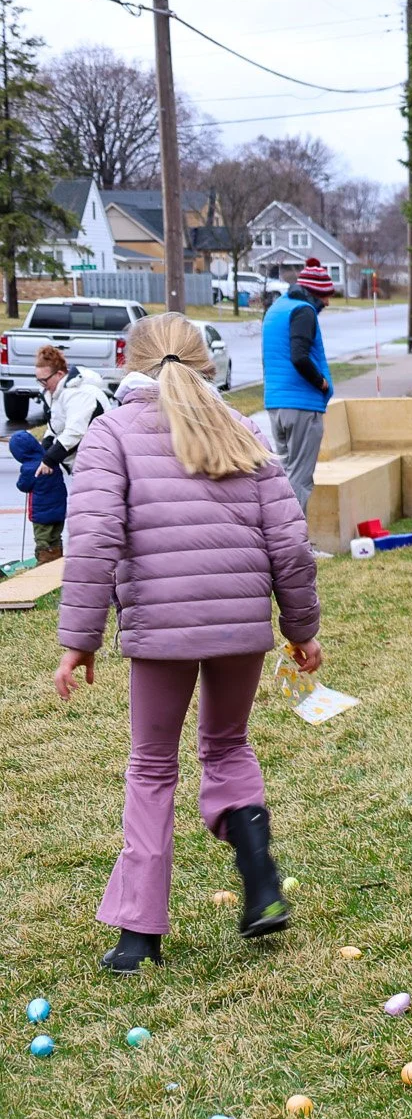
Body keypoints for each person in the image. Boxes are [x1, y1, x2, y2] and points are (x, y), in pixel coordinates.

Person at [54, 314, 322, 973]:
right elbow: (289, 543)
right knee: (227, 746)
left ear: (130, 363)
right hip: (240, 624)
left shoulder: (110, 435)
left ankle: (138, 936)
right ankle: (257, 870)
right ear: (206, 363)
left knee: (151, 766)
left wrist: (79, 639)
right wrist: (300, 629)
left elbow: (92, 543)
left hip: (160, 627)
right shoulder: (246, 431)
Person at [262, 257, 337, 514]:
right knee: (300, 480)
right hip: (302, 405)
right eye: (325, 296)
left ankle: (284, 540)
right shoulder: (303, 311)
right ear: (314, 292)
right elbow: (299, 356)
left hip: (277, 404)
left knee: (286, 475)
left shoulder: (277, 308)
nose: (327, 302)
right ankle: (296, 545)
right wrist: (322, 383)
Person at [31, 344, 112, 475]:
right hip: (83, 465)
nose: (42, 386)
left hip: (100, 465)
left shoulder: (79, 394)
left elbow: (74, 432)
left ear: (59, 374)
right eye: (39, 381)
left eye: (44, 380)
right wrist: (45, 449)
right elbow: (55, 427)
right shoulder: (56, 393)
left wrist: (49, 459)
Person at [11, 427, 65, 563]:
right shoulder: (50, 459)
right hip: (59, 509)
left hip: (41, 513)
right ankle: (56, 561)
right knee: (55, 537)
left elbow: (23, 485)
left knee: (42, 539)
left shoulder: (29, 468)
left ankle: (44, 562)